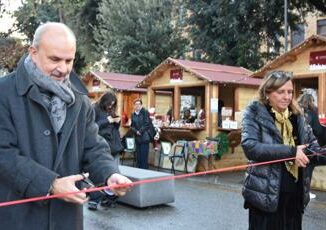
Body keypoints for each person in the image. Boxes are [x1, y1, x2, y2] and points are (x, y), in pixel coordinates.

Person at [0, 22, 131, 230]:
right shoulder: (4, 93)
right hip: (17, 219)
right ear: (33, 52)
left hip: (66, 220)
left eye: (69, 60)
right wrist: (50, 184)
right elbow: (3, 154)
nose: (63, 69)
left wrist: (109, 174)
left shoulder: (80, 100)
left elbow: (93, 147)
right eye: (55, 59)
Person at [241, 70, 326, 230]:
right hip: (265, 199)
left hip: (294, 198)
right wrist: (291, 152)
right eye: (281, 92)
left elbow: (313, 150)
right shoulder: (253, 113)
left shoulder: (298, 116)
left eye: (290, 92)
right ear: (267, 92)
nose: (287, 97)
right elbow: (250, 147)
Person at [88, 91, 124, 210]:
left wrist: (117, 122)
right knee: (98, 173)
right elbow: (92, 127)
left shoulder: (111, 110)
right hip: (100, 145)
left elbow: (114, 128)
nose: (110, 106)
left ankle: (109, 198)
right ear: (104, 101)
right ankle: (93, 199)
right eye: (109, 103)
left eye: (113, 104)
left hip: (114, 145)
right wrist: (107, 121)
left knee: (113, 172)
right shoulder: (94, 108)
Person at [297, 92, 326, 199]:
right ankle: (305, 192)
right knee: (308, 167)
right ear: (311, 101)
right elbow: (318, 130)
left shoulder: (296, 110)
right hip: (309, 145)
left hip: (296, 145)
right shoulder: (313, 111)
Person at [130, 98, 151, 169]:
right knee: (138, 157)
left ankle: (144, 172)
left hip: (144, 137)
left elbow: (147, 123)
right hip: (137, 138)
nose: (137, 106)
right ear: (134, 106)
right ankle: (138, 172)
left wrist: (140, 131)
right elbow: (132, 126)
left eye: (139, 104)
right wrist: (136, 131)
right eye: (136, 104)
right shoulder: (133, 114)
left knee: (143, 157)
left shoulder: (145, 112)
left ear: (141, 105)